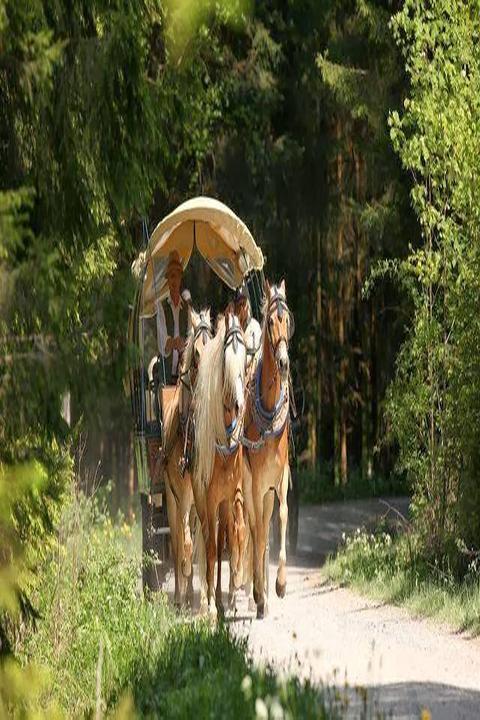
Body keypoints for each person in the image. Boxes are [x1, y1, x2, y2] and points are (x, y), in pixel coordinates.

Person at [155, 250, 192, 386]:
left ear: (180, 278)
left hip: (183, 376)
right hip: (166, 375)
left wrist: (184, 344)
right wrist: (176, 342)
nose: (174, 280)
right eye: (171, 276)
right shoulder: (161, 307)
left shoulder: (186, 308)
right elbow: (163, 342)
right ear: (168, 280)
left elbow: (189, 337)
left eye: (176, 276)